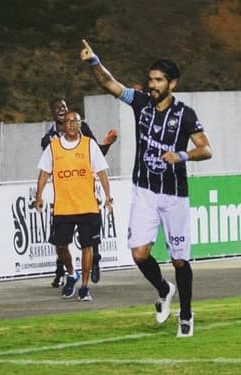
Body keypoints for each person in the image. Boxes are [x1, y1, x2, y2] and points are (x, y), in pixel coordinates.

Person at [80, 39, 213, 336]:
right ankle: (164, 288)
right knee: (139, 254)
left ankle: (187, 315)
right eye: (150, 79)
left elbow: (206, 150)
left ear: (172, 83)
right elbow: (110, 84)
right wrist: (93, 62)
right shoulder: (140, 103)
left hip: (174, 194)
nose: (152, 85)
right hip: (145, 190)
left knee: (179, 258)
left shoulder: (185, 115)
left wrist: (182, 155)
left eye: (158, 80)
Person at [35, 111, 113, 301]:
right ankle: (71, 273)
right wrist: (39, 196)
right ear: (62, 126)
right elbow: (44, 173)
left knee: (88, 246)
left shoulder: (89, 145)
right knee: (61, 246)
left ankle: (84, 287)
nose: (71, 125)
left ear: (80, 125)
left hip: (87, 206)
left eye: (75, 122)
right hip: (63, 207)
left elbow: (101, 172)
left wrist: (108, 197)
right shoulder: (53, 147)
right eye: (68, 122)